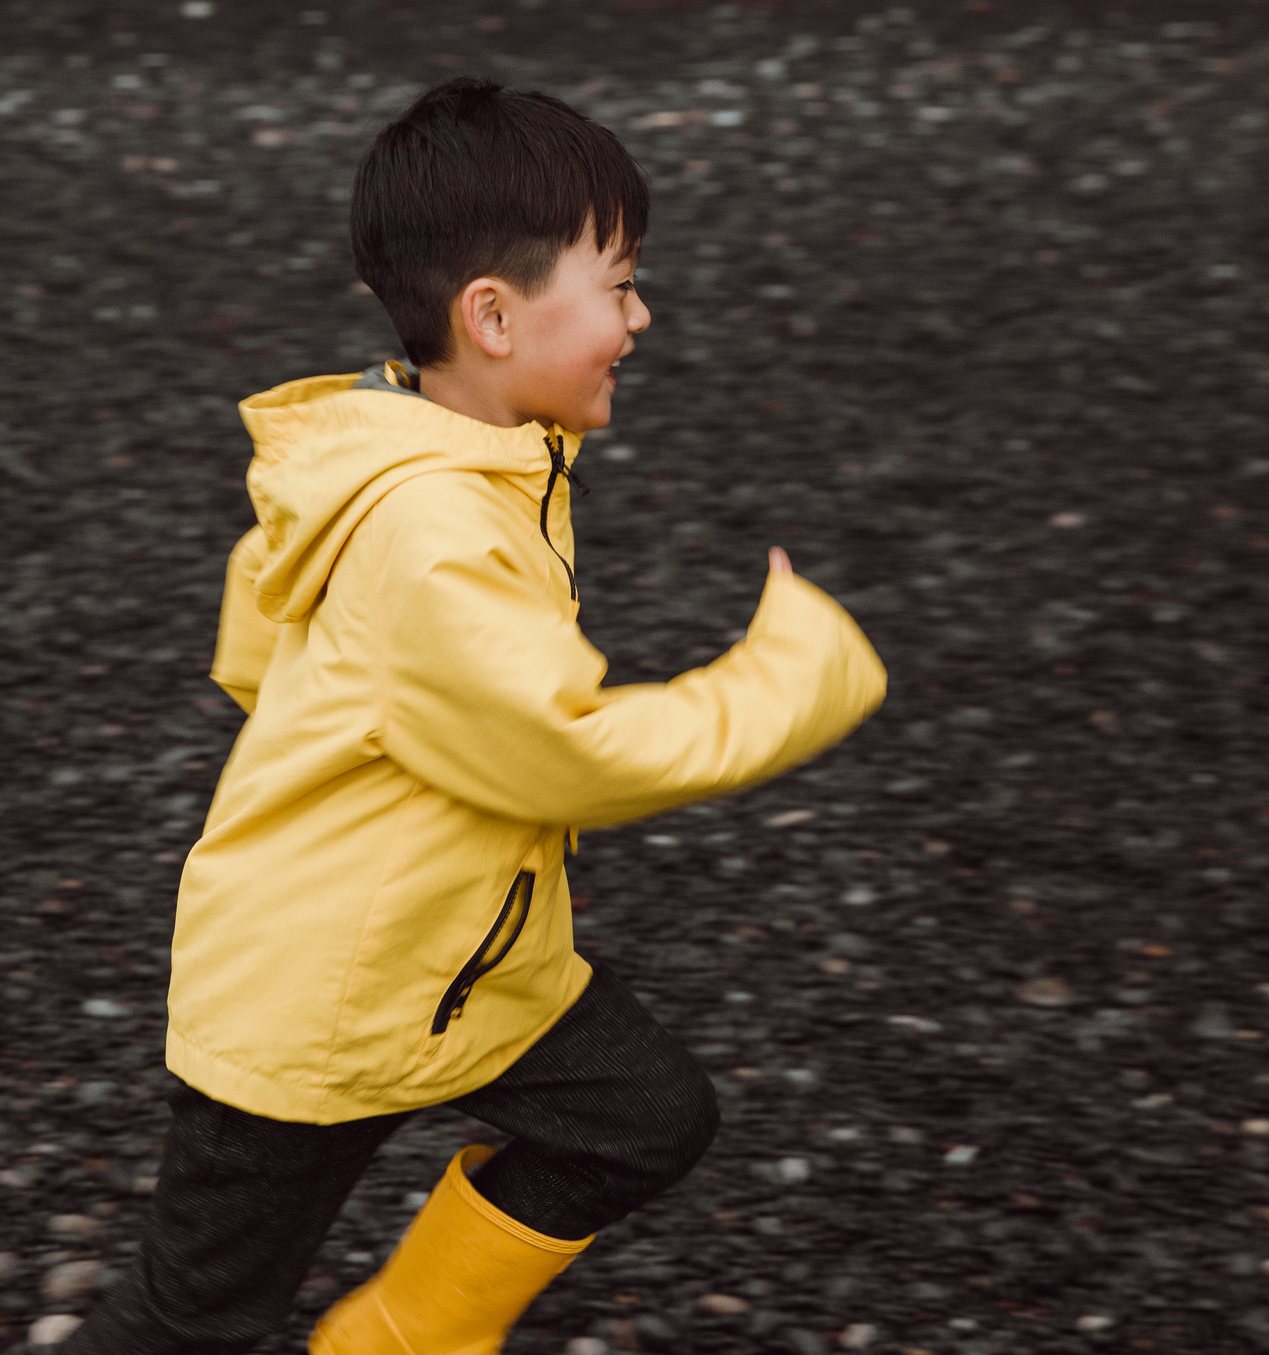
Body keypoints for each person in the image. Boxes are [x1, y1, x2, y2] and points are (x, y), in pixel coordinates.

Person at [64, 77, 887, 1355]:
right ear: (493, 317)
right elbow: (567, 755)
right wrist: (795, 670)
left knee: (645, 1118)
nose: (640, 315)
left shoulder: (446, 456)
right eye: (617, 284)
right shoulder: (431, 522)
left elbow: (256, 645)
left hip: (463, 964)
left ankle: (404, 1337)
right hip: (321, 994)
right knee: (194, 1316)